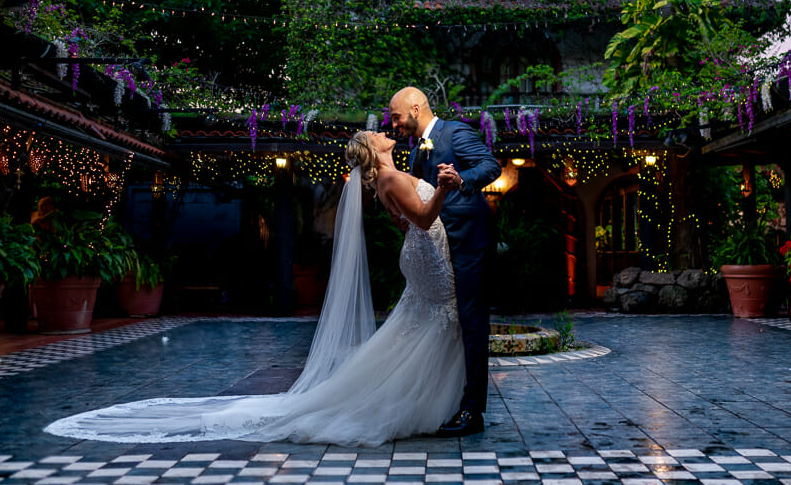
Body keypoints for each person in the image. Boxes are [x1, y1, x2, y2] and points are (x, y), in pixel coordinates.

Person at [44, 131, 465, 447]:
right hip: (426, 255)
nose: (381, 129)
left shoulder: (388, 181)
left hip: (421, 255)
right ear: (374, 150)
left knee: (421, 327)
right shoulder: (390, 179)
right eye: (375, 133)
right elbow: (425, 219)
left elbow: (408, 219)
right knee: (435, 323)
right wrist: (444, 189)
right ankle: (408, 401)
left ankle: (406, 395)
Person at [388, 86, 502, 437]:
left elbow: (491, 166)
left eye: (396, 116)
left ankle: (472, 412)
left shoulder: (455, 131)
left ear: (416, 108)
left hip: (469, 241)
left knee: (471, 323)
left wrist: (462, 179)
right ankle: (444, 401)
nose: (394, 125)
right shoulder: (411, 153)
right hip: (438, 247)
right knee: (446, 324)